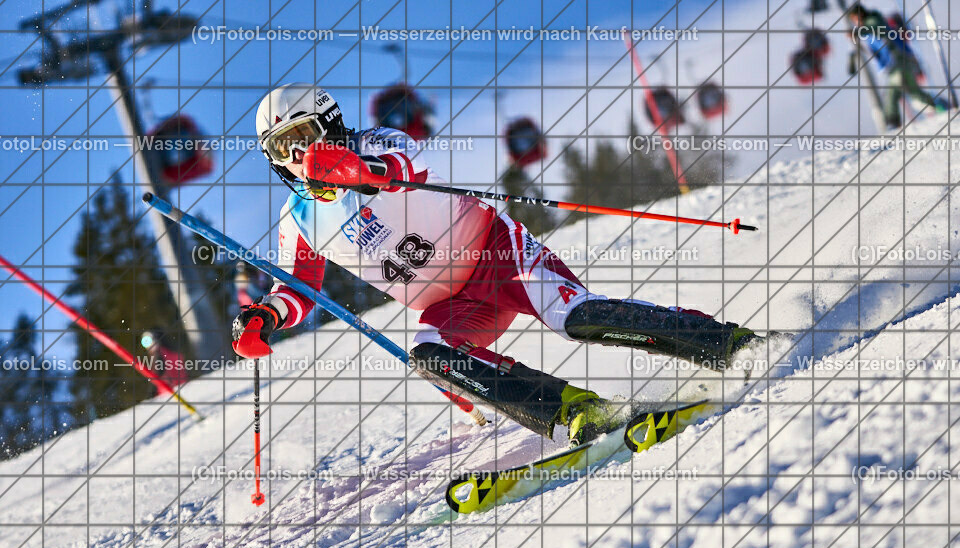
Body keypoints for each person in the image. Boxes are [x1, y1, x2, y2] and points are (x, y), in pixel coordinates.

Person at [231, 84, 763, 446]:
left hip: (495, 253)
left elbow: (398, 166)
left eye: (302, 137)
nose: (296, 156)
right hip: (449, 305)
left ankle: (722, 342)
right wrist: (265, 317)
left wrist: (353, 170)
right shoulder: (297, 218)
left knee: (575, 318)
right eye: (282, 149)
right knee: (429, 354)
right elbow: (301, 290)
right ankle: (571, 410)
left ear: (327, 123)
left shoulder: (377, 143)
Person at [847, 3, 946, 129]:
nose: (855, 23)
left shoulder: (873, 19)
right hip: (899, 61)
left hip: (899, 60)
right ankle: (941, 105)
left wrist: (858, 32)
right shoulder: (867, 28)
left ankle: (893, 123)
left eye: (855, 19)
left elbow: (874, 27)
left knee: (892, 91)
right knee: (914, 93)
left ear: (859, 15)